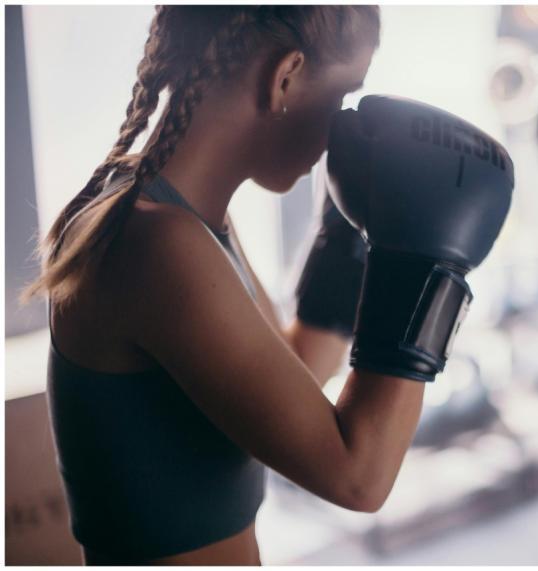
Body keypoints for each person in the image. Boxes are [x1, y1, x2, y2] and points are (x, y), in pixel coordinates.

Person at [24, 6, 513, 565]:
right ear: (285, 75)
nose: (340, 129)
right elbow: (359, 477)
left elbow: (294, 373)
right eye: (342, 94)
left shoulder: (175, 213)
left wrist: (352, 238)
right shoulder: (158, 244)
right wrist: (426, 261)